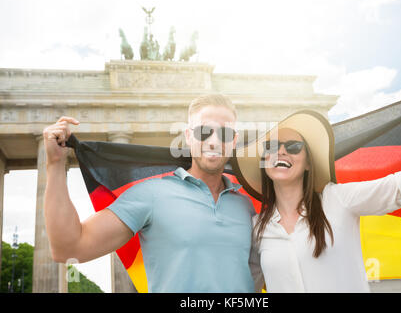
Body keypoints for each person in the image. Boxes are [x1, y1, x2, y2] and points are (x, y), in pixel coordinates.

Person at [43, 94, 256, 292]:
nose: (214, 141)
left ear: (234, 141)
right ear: (189, 137)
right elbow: (68, 248)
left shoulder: (246, 206)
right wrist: (55, 164)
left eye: (225, 133)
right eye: (203, 131)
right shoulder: (151, 194)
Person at [231, 110, 401, 292]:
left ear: (308, 163)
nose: (281, 151)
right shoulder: (256, 228)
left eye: (294, 147)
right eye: (271, 147)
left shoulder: (339, 199)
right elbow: (245, 290)